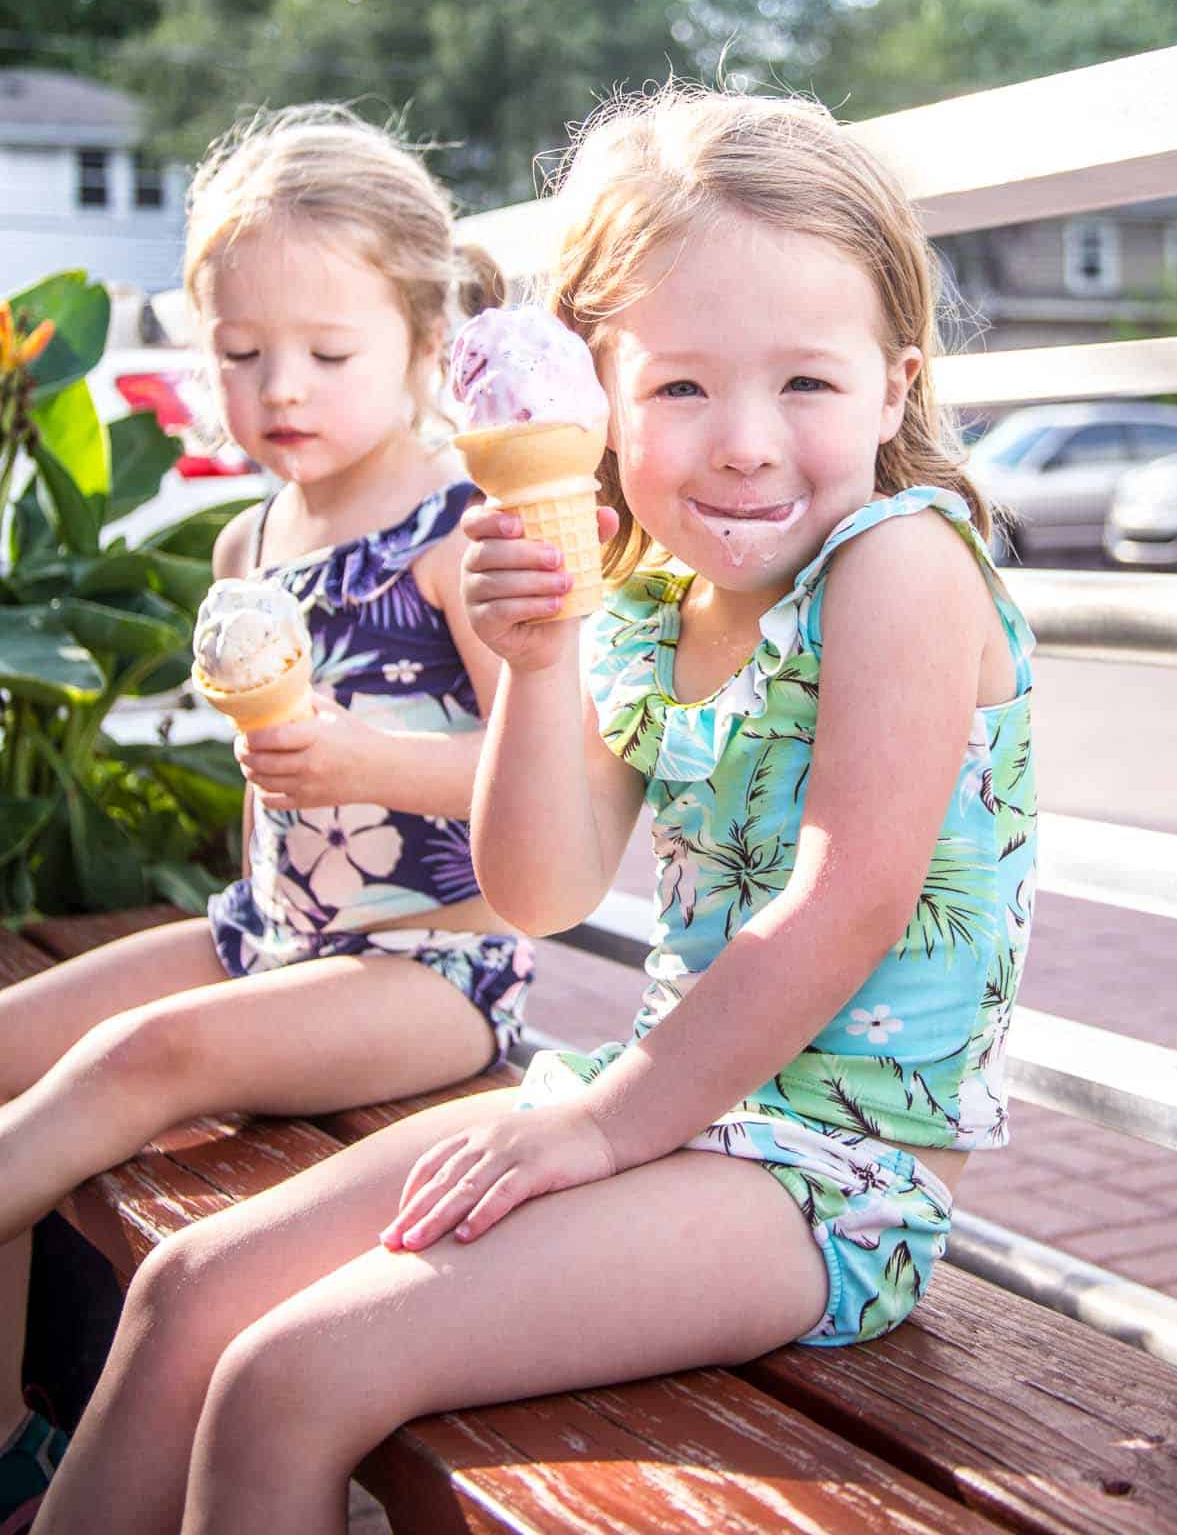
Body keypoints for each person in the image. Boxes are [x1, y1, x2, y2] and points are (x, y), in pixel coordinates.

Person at [36, 84, 1037, 1535]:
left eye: (805, 385)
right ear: (598, 401)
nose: (745, 441)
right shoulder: (643, 598)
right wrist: (538, 664)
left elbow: (849, 901)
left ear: (894, 386)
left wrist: (600, 1130)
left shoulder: (901, 565)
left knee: (287, 1379)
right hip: (660, 1110)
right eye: (681, 388)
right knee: (189, 1296)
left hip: (834, 1179)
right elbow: (539, 889)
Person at [4, 106, 531, 1533]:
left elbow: (554, 805)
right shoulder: (249, 540)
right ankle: (7, 1447)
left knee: (143, 1055)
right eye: (240, 356)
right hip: (267, 935)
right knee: (10, 1042)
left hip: (433, 969)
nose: (277, 387)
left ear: (427, 345)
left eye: (328, 353)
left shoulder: (463, 538)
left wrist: (372, 759)